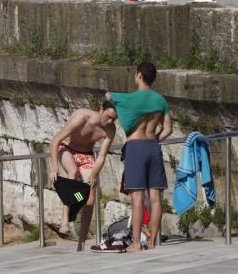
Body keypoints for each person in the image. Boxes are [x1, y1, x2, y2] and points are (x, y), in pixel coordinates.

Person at [108, 62, 172, 252]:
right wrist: (154, 140)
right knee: (156, 198)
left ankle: (136, 244)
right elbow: (168, 128)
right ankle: (152, 242)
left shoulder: (128, 99)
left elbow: (108, 96)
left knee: (137, 198)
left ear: (138, 76)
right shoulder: (161, 100)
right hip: (153, 146)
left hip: (135, 148)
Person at [49, 101, 118, 250]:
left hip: (86, 155)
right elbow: (55, 140)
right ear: (101, 109)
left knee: (89, 199)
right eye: (108, 116)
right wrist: (54, 168)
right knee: (73, 173)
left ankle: (81, 243)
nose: (110, 121)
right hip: (66, 148)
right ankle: (65, 219)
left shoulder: (110, 130)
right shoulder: (82, 117)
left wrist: (94, 173)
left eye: (114, 119)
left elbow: (101, 156)